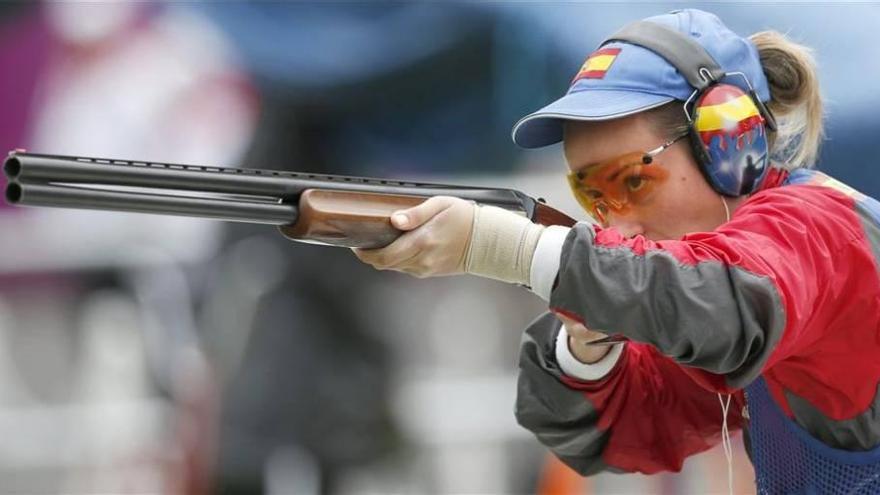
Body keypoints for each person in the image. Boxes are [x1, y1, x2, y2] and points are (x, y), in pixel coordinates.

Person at [353, 8, 880, 494]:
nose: (618, 221)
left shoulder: (818, 229)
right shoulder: (739, 288)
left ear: (729, 144)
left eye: (632, 180)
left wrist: (502, 247)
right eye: (593, 194)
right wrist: (589, 348)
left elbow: (719, 297)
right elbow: (620, 435)